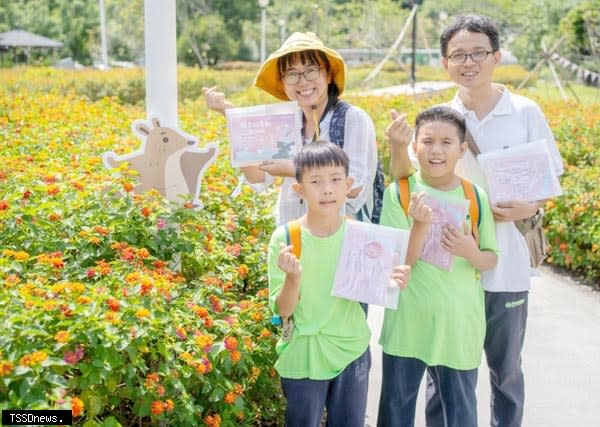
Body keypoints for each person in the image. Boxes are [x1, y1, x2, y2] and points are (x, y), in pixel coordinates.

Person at [387, 14, 564, 427]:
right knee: (443, 369)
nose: (469, 62)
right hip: (446, 270)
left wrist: (529, 208)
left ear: (496, 56)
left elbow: (549, 181)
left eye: (478, 53)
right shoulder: (439, 117)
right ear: (445, 62)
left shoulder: (525, 112)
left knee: (506, 371)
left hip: (506, 267)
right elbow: (410, 180)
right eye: (458, 55)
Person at [267, 141, 412, 427]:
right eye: (316, 182)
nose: (327, 189)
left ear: (348, 185)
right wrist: (293, 278)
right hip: (303, 355)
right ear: (299, 189)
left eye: (335, 180)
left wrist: (393, 281)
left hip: (352, 351)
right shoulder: (286, 238)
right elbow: (283, 311)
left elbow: (379, 287)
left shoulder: (363, 237)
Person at [377, 105, 499, 427]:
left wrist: (469, 250)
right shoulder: (400, 193)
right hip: (407, 321)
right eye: (427, 141)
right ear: (414, 146)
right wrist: (419, 226)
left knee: (459, 412)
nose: (436, 150)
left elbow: (490, 258)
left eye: (446, 143)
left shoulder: (476, 197)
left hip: (459, 324)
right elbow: (396, 263)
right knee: (395, 409)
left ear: (461, 151)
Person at [204, 31, 380, 226]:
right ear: (283, 82)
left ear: (328, 74)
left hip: (339, 239)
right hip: (293, 233)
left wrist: (295, 170)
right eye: (292, 74)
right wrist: (233, 117)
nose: (303, 81)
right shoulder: (285, 123)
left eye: (311, 70)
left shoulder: (352, 119)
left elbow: (355, 185)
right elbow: (257, 176)